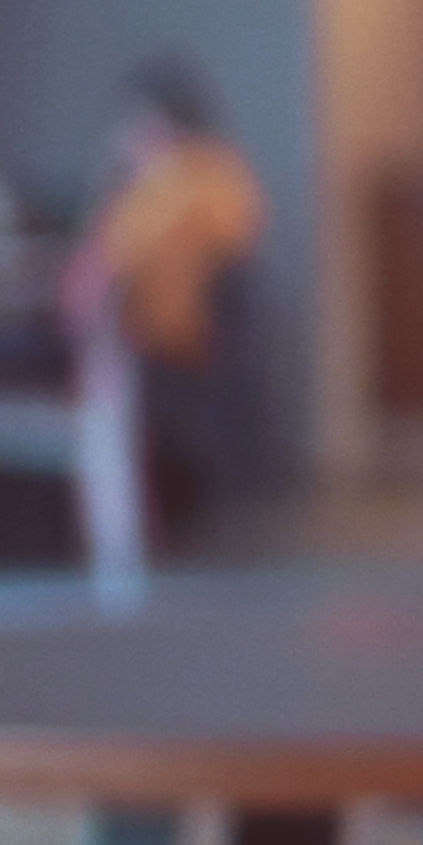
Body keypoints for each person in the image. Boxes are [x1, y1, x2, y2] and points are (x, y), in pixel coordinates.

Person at [59, 56, 266, 525]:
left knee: (28, 360)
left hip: (161, 342)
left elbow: (112, 260)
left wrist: (111, 189)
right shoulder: (221, 177)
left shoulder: (176, 184)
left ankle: (96, 514)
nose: (122, 140)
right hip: (181, 343)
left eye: (129, 126)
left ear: (153, 124)